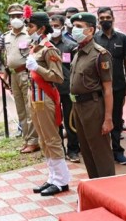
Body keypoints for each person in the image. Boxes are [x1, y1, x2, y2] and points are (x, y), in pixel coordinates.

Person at [24, 10, 70, 196]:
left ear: (41, 28)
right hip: (34, 97)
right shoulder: (35, 46)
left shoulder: (49, 48)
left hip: (46, 98)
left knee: (51, 138)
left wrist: (38, 68)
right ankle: (52, 177)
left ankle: (61, 181)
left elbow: (58, 77)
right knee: (43, 139)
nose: (28, 29)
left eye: (31, 26)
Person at [69, 12, 115, 179]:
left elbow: (108, 89)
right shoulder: (77, 51)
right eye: (73, 26)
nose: (74, 30)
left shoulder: (99, 54)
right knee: (87, 150)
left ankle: (108, 190)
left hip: (94, 106)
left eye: (79, 27)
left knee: (100, 151)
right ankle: (94, 187)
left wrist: (108, 118)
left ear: (90, 30)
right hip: (78, 106)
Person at [94, 6, 126, 166]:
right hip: (98, 88)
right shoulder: (94, 38)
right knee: (99, 120)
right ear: (98, 20)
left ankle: (118, 152)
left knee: (116, 119)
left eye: (107, 17)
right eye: (101, 18)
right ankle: (103, 153)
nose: (105, 20)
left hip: (118, 87)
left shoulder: (122, 38)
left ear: (113, 18)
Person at [0, 3, 40, 153]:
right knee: (21, 109)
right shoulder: (6, 36)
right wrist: (5, 75)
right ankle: (27, 139)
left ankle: (34, 141)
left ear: (23, 17)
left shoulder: (29, 34)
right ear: (9, 18)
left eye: (18, 15)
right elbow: (5, 56)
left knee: (30, 109)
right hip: (13, 75)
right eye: (12, 16)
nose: (15, 18)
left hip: (26, 74)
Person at [49, 15, 80, 163]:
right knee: (55, 122)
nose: (54, 28)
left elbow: (76, 68)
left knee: (70, 120)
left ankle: (73, 150)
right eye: (51, 25)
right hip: (50, 89)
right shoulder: (44, 45)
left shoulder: (70, 45)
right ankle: (58, 150)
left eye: (56, 25)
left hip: (68, 89)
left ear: (62, 27)